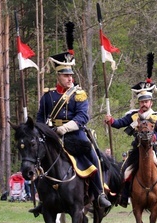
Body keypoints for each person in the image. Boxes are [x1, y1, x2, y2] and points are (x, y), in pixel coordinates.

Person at [35, 23, 110, 212]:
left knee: (95, 158)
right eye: (65, 75)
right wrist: (41, 132)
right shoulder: (48, 96)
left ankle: (100, 194)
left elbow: (83, 117)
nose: (70, 78)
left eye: (71, 74)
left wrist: (65, 128)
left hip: (74, 135)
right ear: (58, 76)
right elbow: (40, 119)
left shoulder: (79, 94)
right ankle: (42, 200)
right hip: (52, 136)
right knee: (35, 159)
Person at [105, 52, 157, 208]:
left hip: (153, 150)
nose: (144, 104)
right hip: (137, 151)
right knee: (123, 171)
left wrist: (154, 138)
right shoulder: (133, 115)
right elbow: (119, 123)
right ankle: (123, 196)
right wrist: (111, 121)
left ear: (151, 102)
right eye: (141, 101)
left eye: (146, 101)